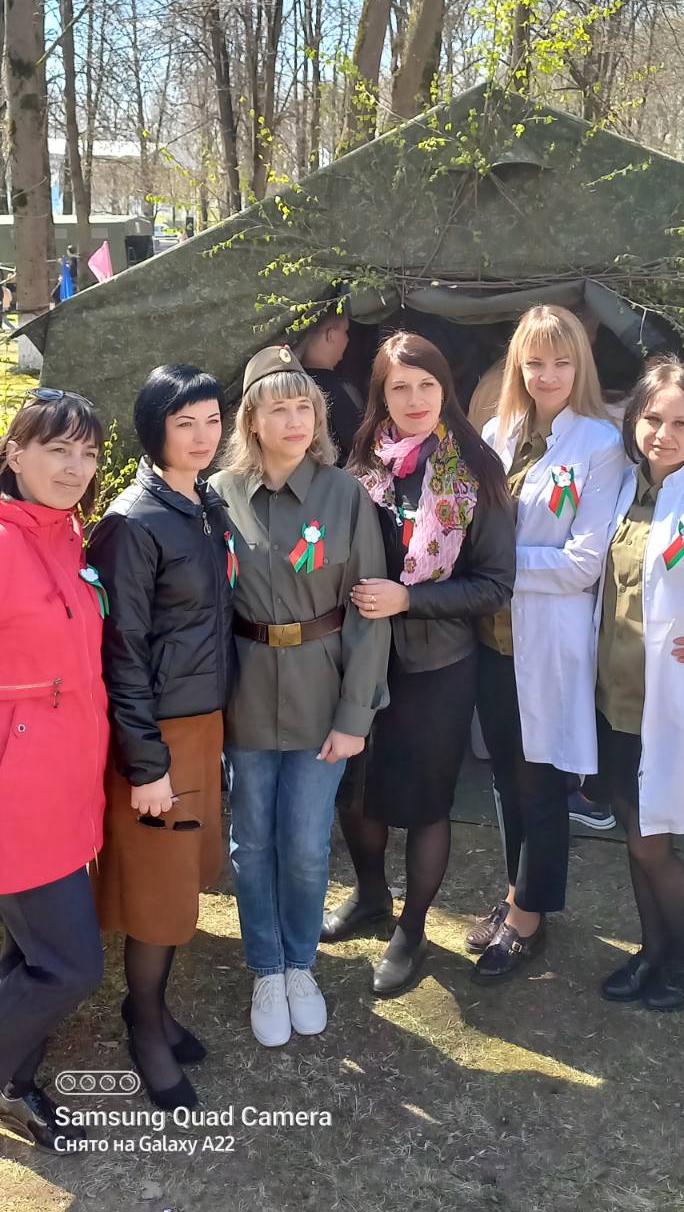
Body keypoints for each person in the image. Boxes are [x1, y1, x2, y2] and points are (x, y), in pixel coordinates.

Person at [322, 331, 516, 998]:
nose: (414, 399)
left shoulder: (477, 469)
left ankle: (413, 929)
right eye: (398, 387)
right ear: (380, 395)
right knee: (356, 788)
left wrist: (410, 599)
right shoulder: (362, 464)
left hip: (438, 664)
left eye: (426, 385)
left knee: (427, 802)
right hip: (361, 658)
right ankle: (371, 895)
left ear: (445, 389)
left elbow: (494, 585)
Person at [211, 343, 390, 1048]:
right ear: (251, 421)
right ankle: (266, 968)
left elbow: (368, 612)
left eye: (304, 407)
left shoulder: (345, 495)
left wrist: (356, 714)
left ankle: (299, 964)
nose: (294, 421)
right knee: (252, 840)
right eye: (278, 408)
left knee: (308, 845)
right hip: (246, 691)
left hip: (323, 691)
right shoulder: (219, 495)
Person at [88, 365, 235, 1108]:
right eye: (186, 424)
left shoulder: (205, 504)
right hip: (157, 735)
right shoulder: (133, 521)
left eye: (212, 420)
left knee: (181, 882)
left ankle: (153, 1009)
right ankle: (144, 1024)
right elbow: (121, 652)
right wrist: (146, 763)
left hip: (202, 724)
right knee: (156, 892)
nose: (203, 437)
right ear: (155, 431)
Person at [469, 305, 625, 979]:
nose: (548, 375)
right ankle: (515, 895)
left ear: (580, 365)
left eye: (562, 362)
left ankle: (529, 918)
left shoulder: (600, 444)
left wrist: (495, 569)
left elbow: (582, 563)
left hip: (547, 642)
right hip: (491, 639)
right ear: (518, 366)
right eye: (535, 362)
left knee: (541, 781)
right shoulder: (496, 432)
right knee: (505, 776)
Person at [592, 359, 684, 1009]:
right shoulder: (622, 489)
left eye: (681, 423)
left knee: (651, 840)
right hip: (612, 698)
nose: (663, 434)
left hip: (667, 701)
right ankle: (653, 951)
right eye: (652, 418)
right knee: (633, 830)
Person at [0, 389, 108, 1150]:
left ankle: (13, 1084)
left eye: (88, 453)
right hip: (17, 789)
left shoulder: (68, 534)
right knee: (70, 965)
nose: (75, 467)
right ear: (14, 452)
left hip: (70, 776)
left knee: (29, 951)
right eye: (56, 449)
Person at [296, 306, 364, 463]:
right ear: (330, 335)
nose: (348, 339)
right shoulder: (339, 391)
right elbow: (359, 446)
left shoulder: (289, 387)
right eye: (345, 332)